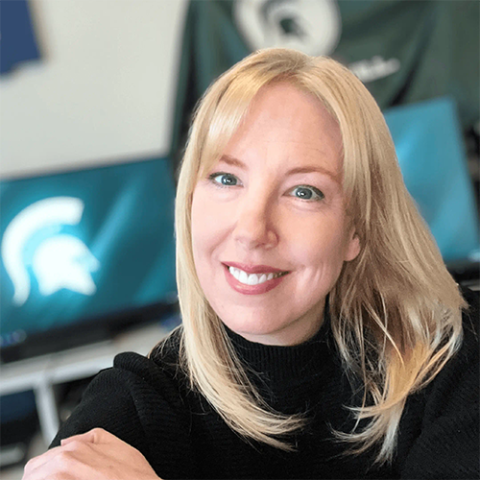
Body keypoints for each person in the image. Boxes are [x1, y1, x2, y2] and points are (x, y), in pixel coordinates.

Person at [23, 48, 480, 480]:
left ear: (355, 231)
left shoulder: (455, 357)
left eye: (304, 191)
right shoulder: (133, 404)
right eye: (226, 178)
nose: (251, 230)